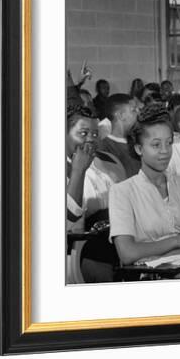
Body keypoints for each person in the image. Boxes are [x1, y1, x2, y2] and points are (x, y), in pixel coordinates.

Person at [109, 105, 180, 278]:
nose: (165, 151)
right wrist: (177, 241)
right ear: (139, 149)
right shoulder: (122, 192)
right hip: (153, 277)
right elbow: (127, 253)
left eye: (169, 143)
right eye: (156, 145)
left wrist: (158, 256)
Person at [66, 105, 119, 282]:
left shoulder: (106, 164)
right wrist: (78, 170)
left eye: (95, 134)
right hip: (77, 251)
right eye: (83, 133)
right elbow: (68, 218)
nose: (90, 140)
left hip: (111, 241)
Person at [99, 94, 141, 178]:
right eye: (134, 110)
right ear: (121, 115)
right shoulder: (105, 149)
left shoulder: (137, 140)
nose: (139, 113)